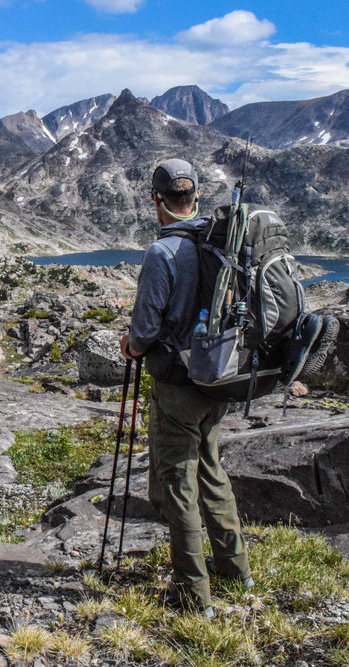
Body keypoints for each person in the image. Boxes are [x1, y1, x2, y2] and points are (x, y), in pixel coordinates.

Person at [119, 158, 252, 617]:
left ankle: (194, 596)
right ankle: (236, 570)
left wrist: (130, 345)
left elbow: (145, 328)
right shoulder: (221, 244)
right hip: (218, 379)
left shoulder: (163, 253)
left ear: (157, 201)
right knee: (211, 470)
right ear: (194, 197)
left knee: (178, 482)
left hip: (177, 385)